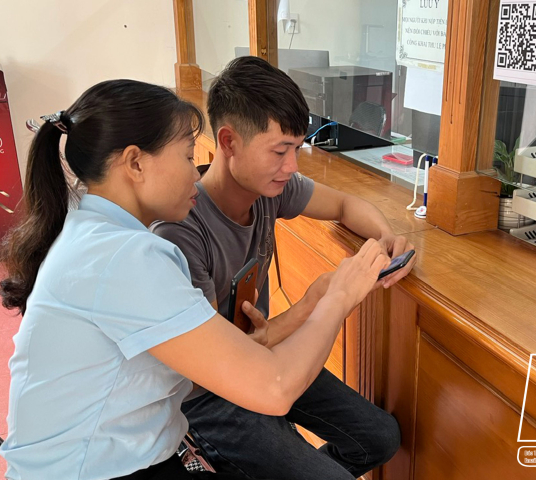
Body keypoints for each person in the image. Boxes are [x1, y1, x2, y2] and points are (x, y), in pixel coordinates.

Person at [0, 79, 389, 480]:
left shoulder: (100, 235)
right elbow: (274, 388)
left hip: (131, 455)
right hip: (99, 471)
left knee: (372, 436)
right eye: (187, 156)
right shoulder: (125, 256)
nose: (193, 174)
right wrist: (337, 297)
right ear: (135, 163)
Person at [152, 56, 415, 480]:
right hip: (207, 394)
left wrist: (387, 239)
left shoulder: (270, 188)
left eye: (296, 148)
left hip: (264, 357)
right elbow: (218, 362)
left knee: (379, 437)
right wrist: (316, 303)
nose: (292, 166)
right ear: (229, 142)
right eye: (279, 151)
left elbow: (346, 205)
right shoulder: (180, 231)